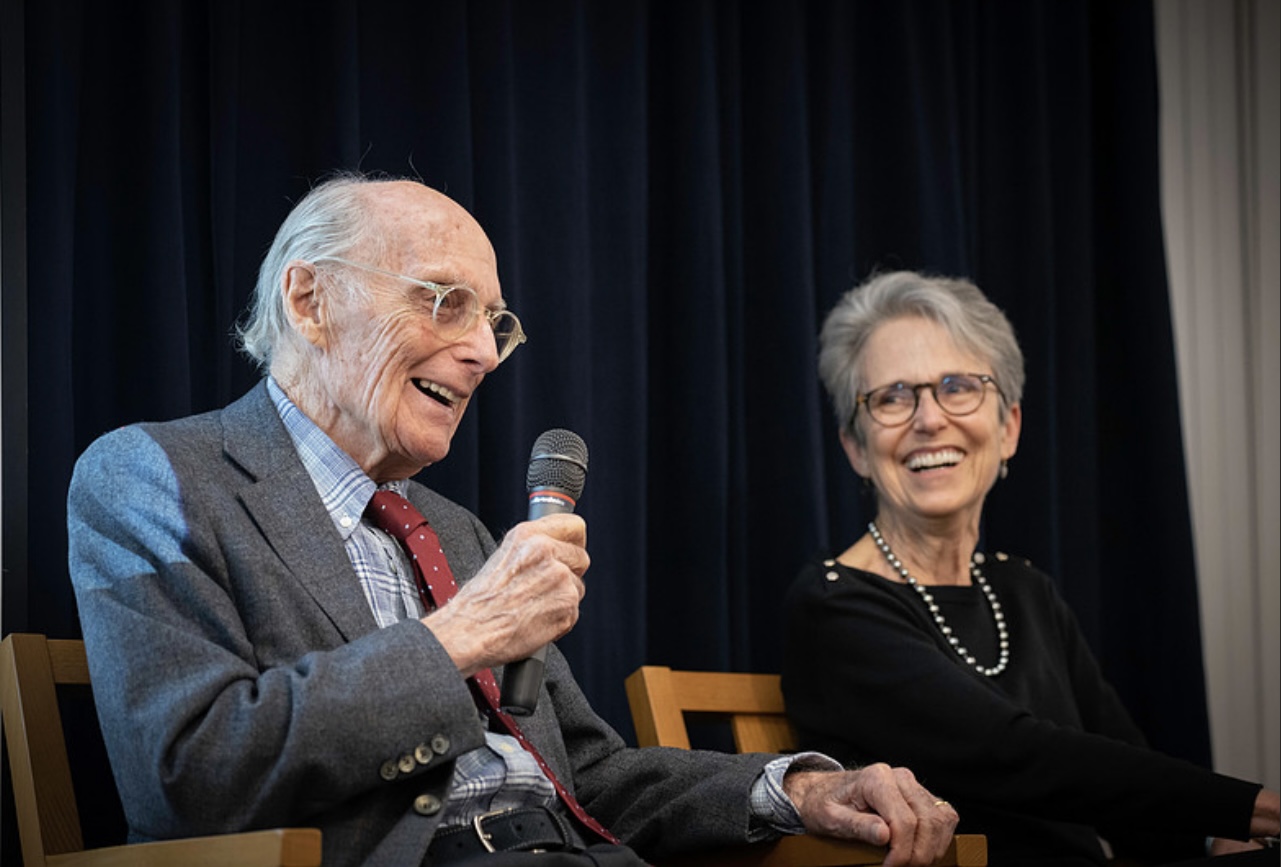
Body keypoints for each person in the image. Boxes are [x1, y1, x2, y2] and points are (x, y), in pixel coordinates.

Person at [66, 174, 959, 867]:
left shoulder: (453, 531)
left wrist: (792, 789)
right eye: (442, 300)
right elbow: (189, 774)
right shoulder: (156, 476)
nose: (484, 353)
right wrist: (461, 636)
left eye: (494, 321)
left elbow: (588, 775)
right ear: (310, 302)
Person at [781, 270, 1280, 866]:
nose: (928, 418)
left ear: (1009, 428)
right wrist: (1260, 808)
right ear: (856, 449)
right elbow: (1011, 753)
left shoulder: (1023, 589)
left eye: (958, 387)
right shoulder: (834, 606)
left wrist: (1213, 838)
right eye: (892, 397)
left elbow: (1126, 776)